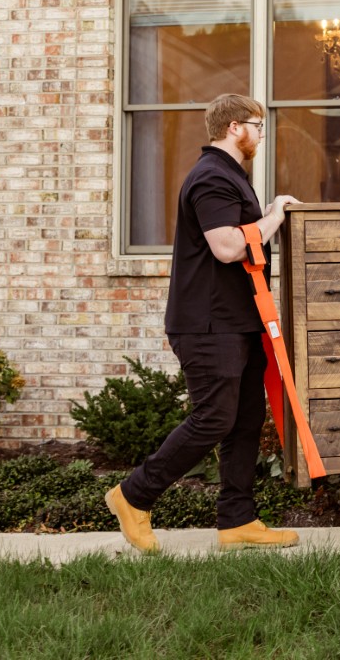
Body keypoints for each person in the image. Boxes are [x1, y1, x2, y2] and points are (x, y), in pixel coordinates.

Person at [105, 93, 301, 552]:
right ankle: (133, 496)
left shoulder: (230, 175)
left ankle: (237, 521)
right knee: (214, 417)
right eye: (257, 124)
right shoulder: (212, 177)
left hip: (238, 319)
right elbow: (227, 247)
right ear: (235, 127)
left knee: (245, 421)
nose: (260, 133)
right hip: (209, 323)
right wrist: (274, 214)